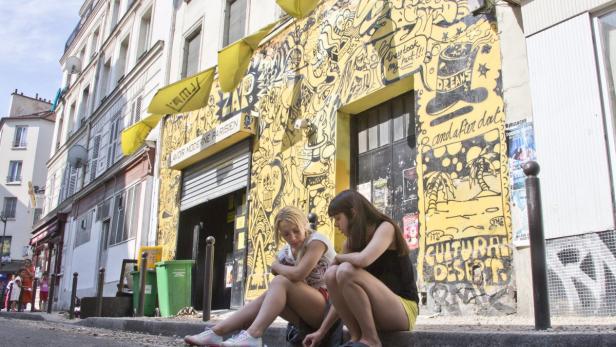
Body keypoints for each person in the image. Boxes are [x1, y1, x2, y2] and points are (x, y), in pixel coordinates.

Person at [184, 206, 336, 347]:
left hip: (331, 310)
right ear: (280, 234)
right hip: (307, 315)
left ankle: (253, 334)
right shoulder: (286, 253)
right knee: (272, 292)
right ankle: (217, 332)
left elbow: (298, 274)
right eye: (286, 234)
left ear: (304, 225)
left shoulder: (317, 241)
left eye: (296, 231)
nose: (293, 237)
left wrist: (276, 266)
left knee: (280, 282)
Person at [303, 190, 419, 347]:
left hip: (403, 311)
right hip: (375, 312)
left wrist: (338, 258)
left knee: (344, 270)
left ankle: (371, 340)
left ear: (353, 213)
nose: (336, 225)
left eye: (338, 218)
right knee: (331, 274)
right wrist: (321, 332)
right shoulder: (351, 243)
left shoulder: (385, 228)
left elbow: (364, 259)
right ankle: (357, 337)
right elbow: (340, 298)